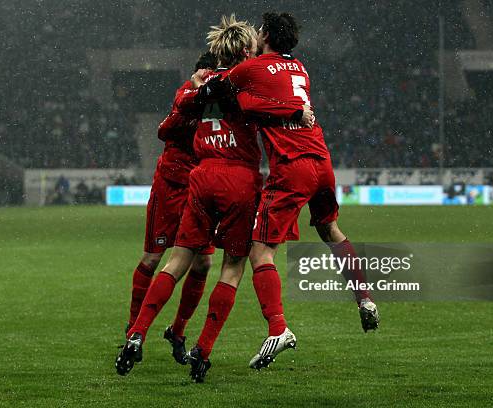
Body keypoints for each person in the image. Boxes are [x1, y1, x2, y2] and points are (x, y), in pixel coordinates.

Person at [116, 15, 311, 382]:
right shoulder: (242, 85)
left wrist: (193, 90)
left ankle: (136, 334)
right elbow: (260, 109)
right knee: (233, 268)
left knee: (178, 262)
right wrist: (296, 111)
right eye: (252, 49)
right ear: (243, 51)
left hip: (201, 177)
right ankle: (202, 353)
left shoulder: (201, 84)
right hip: (237, 178)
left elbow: (180, 110)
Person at [203, 12, 380, 370]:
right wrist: (293, 110)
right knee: (330, 230)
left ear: (264, 35)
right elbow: (277, 103)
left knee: (259, 250)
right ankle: (365, 298)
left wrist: (206, 81)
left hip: (292, 167)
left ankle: (278, 328)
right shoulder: (301, 70)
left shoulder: (250, 69)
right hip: (321, 160)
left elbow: (232, 97)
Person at [122, 51, 218, 365]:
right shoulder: (186, 94)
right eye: (203, 72)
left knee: (203, 264)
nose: (208, 76)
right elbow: (164, 130)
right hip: (171, 185)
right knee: (153, 257)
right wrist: (192, 91)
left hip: (200, 189)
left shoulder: (222, 97)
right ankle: (134, 331)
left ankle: (177, 331)